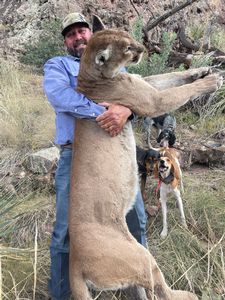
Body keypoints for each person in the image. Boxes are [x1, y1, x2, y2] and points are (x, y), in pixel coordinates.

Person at [43, 12, 147, 300]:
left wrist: (127, 111)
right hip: (76, 158)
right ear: (66, 41)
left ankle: (140, 288)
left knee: (135, 220)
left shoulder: (115, 66)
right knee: (66, 230)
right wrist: (104, 111)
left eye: (82, 31)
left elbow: (135, 97)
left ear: (92, 35)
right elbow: (59, 96)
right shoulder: (58, 65)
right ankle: (63, 294)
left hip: (116, 155)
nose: (78, 37)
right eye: (71, 34)